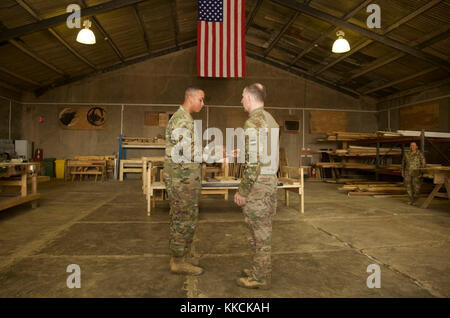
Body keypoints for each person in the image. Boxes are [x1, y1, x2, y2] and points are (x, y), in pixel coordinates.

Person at [234, 83, 279, 289]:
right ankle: (259, 269)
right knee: (262, 230)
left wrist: (243, 191)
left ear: (250, 98)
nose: (241, 100)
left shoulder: (253, 122)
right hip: (269, 180)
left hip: (258, 184)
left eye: (243, 96)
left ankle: (260, 277)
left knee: (258, 233)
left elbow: (254, 162)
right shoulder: (270, 119)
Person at [164, 86, 205, 275]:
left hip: (185, 179)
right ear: (191, 98)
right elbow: (188, 151)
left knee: (184, 217)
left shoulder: (186, 119)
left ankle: (181, 255)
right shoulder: (181, 120)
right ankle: (178, 261)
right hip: (181, 180)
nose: (202, 104)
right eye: (201, 100)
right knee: (183, 219)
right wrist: (216, 153)